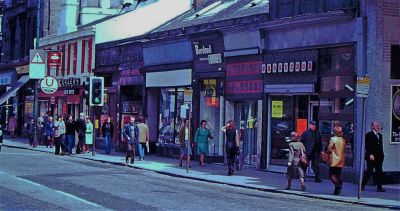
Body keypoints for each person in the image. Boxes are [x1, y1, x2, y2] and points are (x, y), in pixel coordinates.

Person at [362, 122, 385, 192]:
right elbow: (367, 146)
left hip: (379, 157)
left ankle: (379, 187)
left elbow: (380, 146)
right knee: (369, 171)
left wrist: (382, 155)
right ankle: (362, 185)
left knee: (379, 171)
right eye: (376, 125)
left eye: (378, 125)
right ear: (372, 127)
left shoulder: (380, 135)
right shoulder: (368, 135)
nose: (378, 126)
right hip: (371, 156)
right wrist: (370, 154)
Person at [326, 126, 346, 195]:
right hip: (341, 159)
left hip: (334, 159)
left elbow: (329, 149)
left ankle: (338, 185)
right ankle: (336, 191)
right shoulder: (343, 140)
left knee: (331, 174)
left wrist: (328, 151)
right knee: (337, 174)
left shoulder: (333, 139)